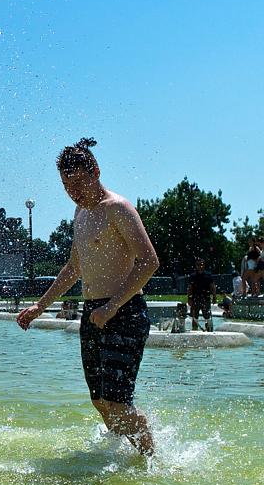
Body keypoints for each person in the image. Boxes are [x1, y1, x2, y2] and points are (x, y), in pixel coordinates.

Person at [16, 138, 159, 457]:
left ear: (95, 171)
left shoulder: (118, 209)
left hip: (124, 312)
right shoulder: (80, 213)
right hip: (93, 313)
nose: (73, 191)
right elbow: (73, 267)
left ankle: (151, 461)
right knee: (100, 403)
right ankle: (129, 460)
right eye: (67, 186)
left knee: (117, 405)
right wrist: (40, 306)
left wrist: (112, 306)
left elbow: (149, 261)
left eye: (78, 183)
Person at [186, 258, 216, 332]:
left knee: (207, 317)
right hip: (195, 299)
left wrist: (214, 297)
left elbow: (213, 286)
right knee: (194, 317)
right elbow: (190, 288)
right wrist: (189, 298)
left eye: (201, 265)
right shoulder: (193, 276)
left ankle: (209, 331)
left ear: (204, 265)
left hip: (206, 299)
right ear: (196, 266)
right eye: (198, 265)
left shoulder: (208, 275)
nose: (200, 266)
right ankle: (194, 330)